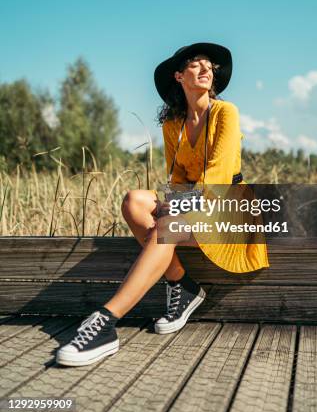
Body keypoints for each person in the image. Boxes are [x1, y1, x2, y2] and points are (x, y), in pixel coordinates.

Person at [56, 42, 270, 367]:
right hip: (193, 205)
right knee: (134, 202)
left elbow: (220, 176)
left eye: (210, 66)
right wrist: (176, 201)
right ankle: (181, 283)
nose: (206, 69)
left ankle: (105, 321)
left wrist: (177, 206)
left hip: (231, 207)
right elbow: (177, 178)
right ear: (179, 76)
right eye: (196, 65)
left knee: (167, 226)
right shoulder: (174, 125)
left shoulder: (226, 113)